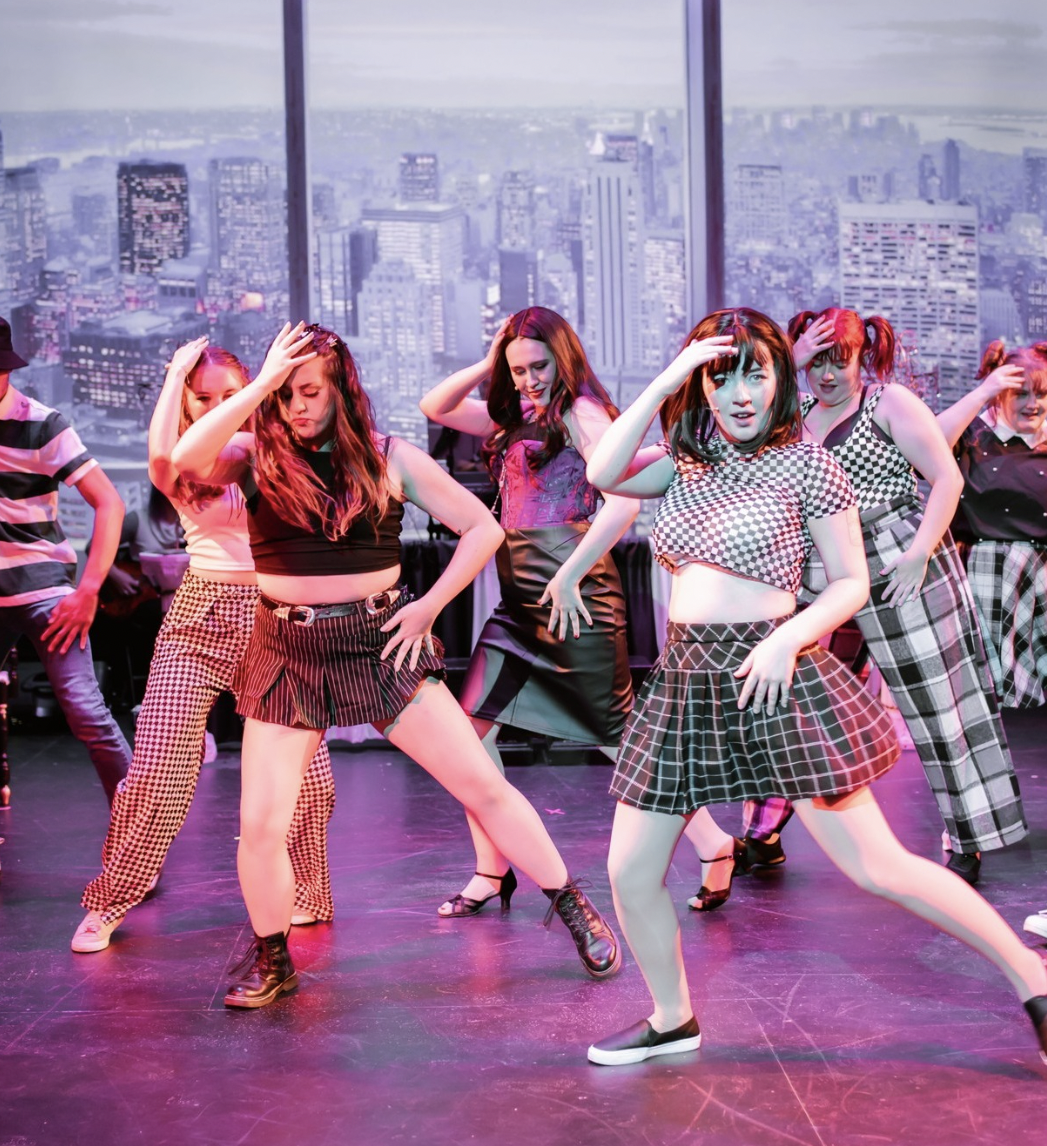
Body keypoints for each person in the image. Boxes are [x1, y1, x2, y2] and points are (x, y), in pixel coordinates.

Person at [581, 306, 1047, 1067]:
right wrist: (669, 375)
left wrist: (787, 639)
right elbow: (604, 472)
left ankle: (1032, 978)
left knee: (876, 867)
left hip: (775, 677)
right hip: (685, 680)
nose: (738, 392)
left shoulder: (807, 463)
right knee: (628, 871)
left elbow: (849, 585)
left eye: (755, 373)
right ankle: (672, 1018)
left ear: (779, 382)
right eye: (719, 374)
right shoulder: (684, 460)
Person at [172, 320, 621, 1008]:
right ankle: (272, 956)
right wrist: (261, 382)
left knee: (483, 785)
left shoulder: (389, 457)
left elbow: (483, 528)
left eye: (310, 391)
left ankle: (571, 904)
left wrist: (430, 607)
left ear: (341, 391)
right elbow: (186, 457)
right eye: (285, 394)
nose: (296, 406)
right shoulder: (254, 455)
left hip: (380, 643)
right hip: (288, 650)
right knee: (262, 823)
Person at [731, 307, 1026, 889]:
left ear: (861, 356)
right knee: (785, 695)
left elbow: (947, 478)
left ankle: (967, 840)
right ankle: (761, 833)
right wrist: (789, 360)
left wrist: (919, 553)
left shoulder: (888, 402)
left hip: (899, 549)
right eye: (815, 362)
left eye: (838, 360)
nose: (828, 375)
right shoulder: (794, 414)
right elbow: (740, 429)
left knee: (941, 702)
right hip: (823, 558)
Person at [72, 339, 336, 953]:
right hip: (202, 613)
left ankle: (307, 890)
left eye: (234, 394)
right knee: (159, 770)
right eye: (205, 398)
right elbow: (163, 460)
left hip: (280, 615)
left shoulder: (278, 451)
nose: (224, 406)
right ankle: (110, 899)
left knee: (309, 780)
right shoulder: (194, 464)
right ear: (190, 406)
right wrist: (172, 376)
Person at [419, 307, 638, 917]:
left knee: (614, 735)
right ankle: (491, 870)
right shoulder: (517, 416)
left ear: (563, 357)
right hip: (520, 601)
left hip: (578, 595)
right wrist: (493, 361)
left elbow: (623, 505)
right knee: (469, 735)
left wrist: (569, 574)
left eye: (537, 366)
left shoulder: (583, 413)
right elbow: (435, 405)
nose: (528, 380)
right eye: (517, 370)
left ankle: (714, 845)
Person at [0, 312, 130, 805]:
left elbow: (110, 502)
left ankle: (141, 831)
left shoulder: (42, 423)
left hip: (44, 586)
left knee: (87, 713)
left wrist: (88, 589)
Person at [935, 339, 1047, 947]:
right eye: (1018, 389)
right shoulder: (971, 438)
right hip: (982, 580)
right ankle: (965, 837)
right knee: (968, 717)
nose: (1031, 402)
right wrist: (981, 395)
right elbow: (918, 445)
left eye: (1042, 391)